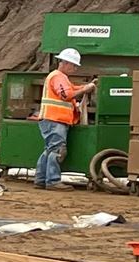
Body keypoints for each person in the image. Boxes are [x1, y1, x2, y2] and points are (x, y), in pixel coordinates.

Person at [35, 49, 95, 189]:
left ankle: (41, 179)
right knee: (57, 150)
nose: (75, 68)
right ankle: (53, 181)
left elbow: (72, 89)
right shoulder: (58, 77)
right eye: (74, 65)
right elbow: (66, 95)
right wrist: (85, 90)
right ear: (66, 63)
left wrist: (86, 87)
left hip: (52, 119)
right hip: (55, 120)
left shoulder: (59, 77)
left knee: (50, 149)